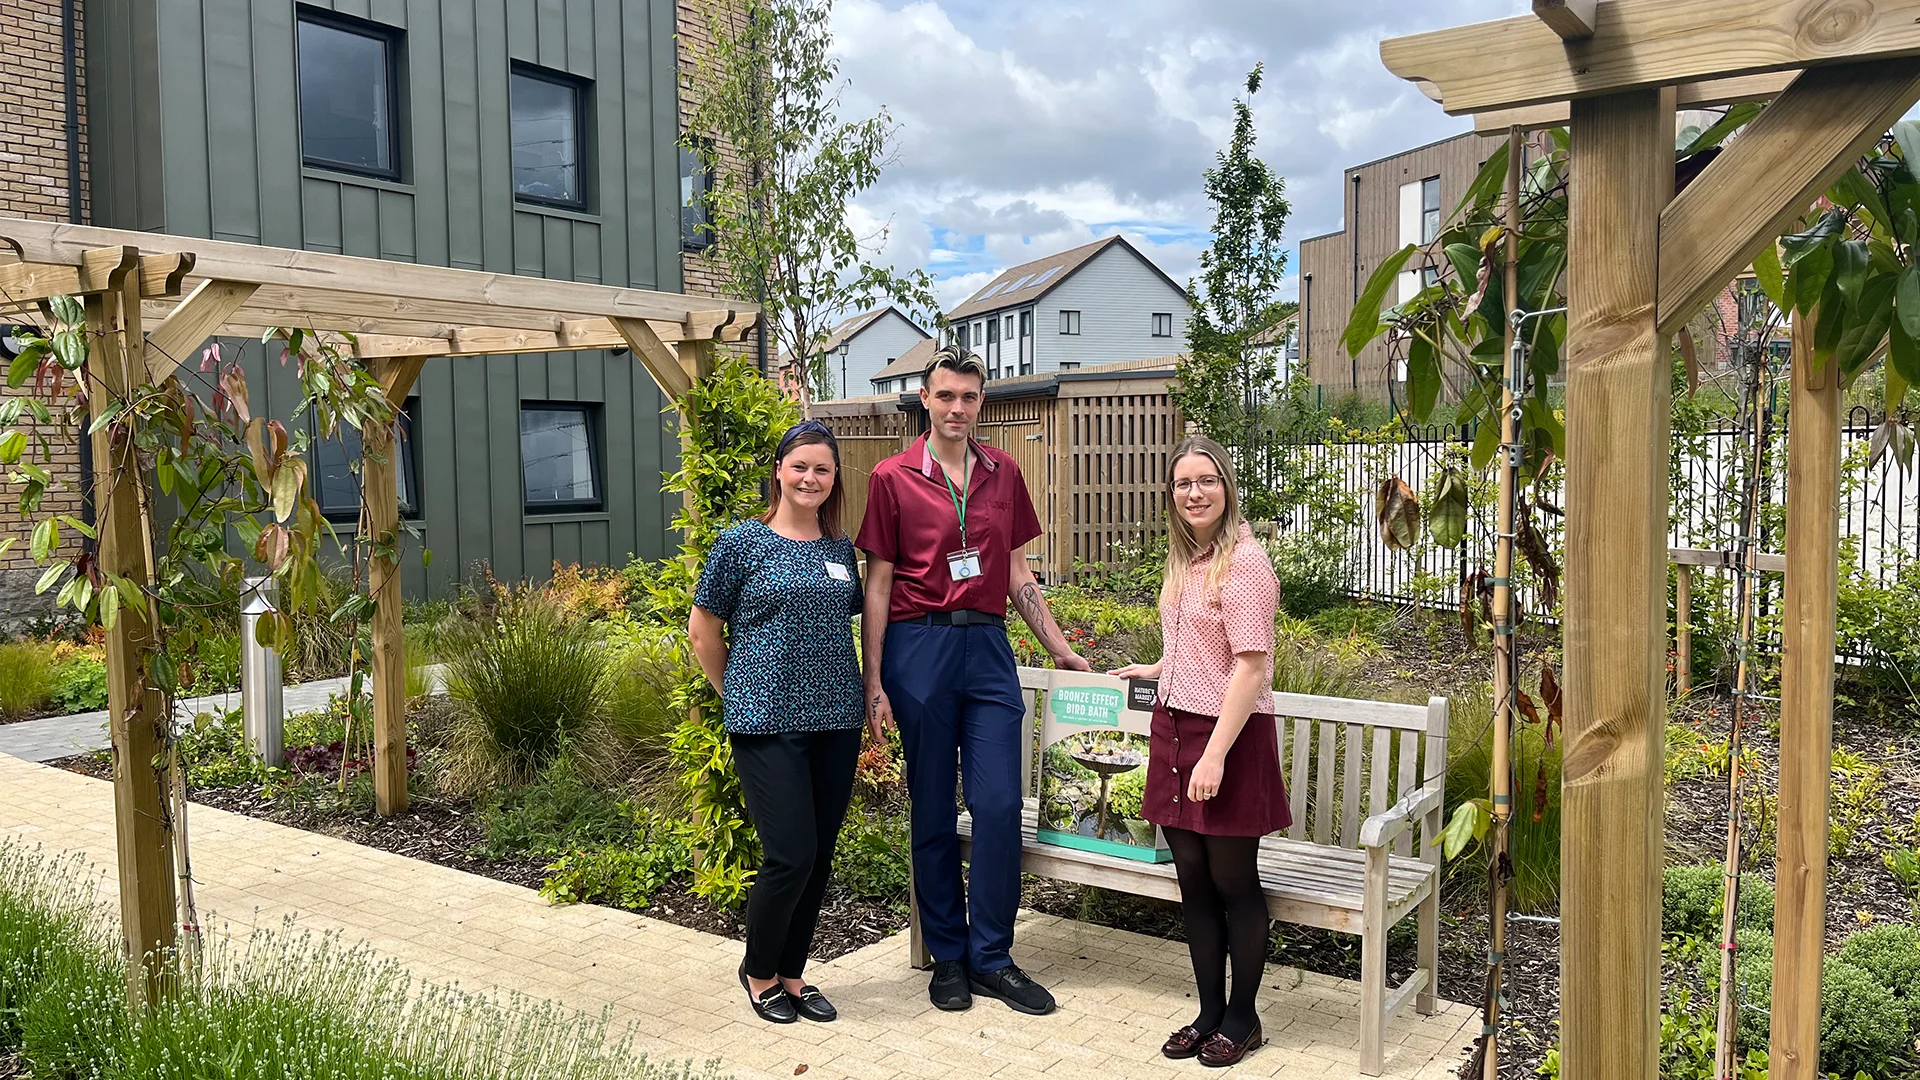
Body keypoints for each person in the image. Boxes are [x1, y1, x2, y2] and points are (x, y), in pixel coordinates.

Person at [857, 345, 1090, 1016]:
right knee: (931, 808)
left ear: (980, 402)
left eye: (969, 396)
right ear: (925, 400)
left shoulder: (1003, 473)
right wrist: (873, 680)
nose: (958, 407)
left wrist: (1063, 649)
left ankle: (992, 956)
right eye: (946, 396)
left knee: (995, 808)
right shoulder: (892, 477)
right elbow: (877, 585)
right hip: (917, 644)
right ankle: (948, 959)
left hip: (986, 647)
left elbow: (1019, 576)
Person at [1112, 435, 1287, 1067]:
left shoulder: (1244, 563)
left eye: (1206, 480)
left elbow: (1248, 669)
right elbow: (1197, 648)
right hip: (1175, 728)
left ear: (1227, 486)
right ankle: (1209, 1009)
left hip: (1227, 739)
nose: (1194, 492)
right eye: (1183, 483)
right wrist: (1157, 668)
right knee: (1192, 881)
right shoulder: (1189, 559)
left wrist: (1214, 756)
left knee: (1234, 882)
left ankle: (1243, 1018)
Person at [690, 420, 866, 1026]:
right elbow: (703, 631)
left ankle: (793, 972)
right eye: (800, 467)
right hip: (765, 720)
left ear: (835, 477)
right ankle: (759, 970)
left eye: (822, 468)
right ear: (779, 472)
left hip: (837, 719)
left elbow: (845, 626)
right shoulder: (741, 542)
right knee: (789, 853)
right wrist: (735, 694)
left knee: (819, 855)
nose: (810, 478)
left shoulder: (841, 550)